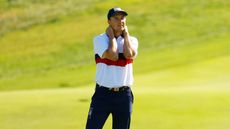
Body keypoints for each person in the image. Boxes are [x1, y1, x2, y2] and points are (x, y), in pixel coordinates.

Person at [86, 7, 138, 129]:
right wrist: (111, 37)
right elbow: (113, 56)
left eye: (123, 18)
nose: (121, 21)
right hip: (102, 95)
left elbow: (128, 55)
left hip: (124, 96)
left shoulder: (132, 40)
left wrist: (126, 36)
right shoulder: (99, 39)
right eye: (116, 18)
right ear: (109, 21)